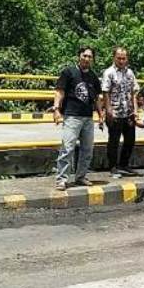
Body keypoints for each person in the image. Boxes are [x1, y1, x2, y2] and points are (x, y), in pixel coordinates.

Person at [52, 46, 104, 191]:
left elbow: (97, 98)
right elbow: (60, 91)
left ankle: (81, 176)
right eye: (84, 56)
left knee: (87, 149)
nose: (86, 59)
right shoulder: (69, 72)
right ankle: (62, 179)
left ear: (92, 59)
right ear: (79, 56)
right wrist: (56, 109)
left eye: (89, 57)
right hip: (72, 116)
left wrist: (100, 115)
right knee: (67, 148)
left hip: (87, 117)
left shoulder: (93, 77)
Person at [101, 47, 140, 178]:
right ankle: (113, 167)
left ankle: (124, 164)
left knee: (130, 140)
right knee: (114, 141)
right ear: (114, 58)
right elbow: (105, 92)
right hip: (115, 112)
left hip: (128, 112)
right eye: (119, 58)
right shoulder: (109, 72)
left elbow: (134, 91)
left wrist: (135, 110)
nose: (122, 61)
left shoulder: (130, 73)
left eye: (124, 58)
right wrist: (109, 110)